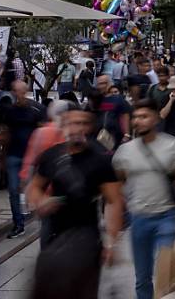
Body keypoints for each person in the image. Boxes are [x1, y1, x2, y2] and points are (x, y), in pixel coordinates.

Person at [30, 102, 124, 299]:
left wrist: (111, 241)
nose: (77, 128)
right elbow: (35, 187)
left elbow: (114, 201)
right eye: (72, 123)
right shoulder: (52, 156)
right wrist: (41, 201)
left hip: (86, 234)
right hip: (54, 230)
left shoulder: (100, 160)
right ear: (64, 126)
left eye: (82, 123)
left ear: (88, 127)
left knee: (84, 288)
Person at [112, 99, 175, 299]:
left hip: (167, 217)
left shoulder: (173, 146)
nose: (138, 121)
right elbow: (115, 189)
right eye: (135, 117)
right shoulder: (125, 152)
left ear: (156, 118)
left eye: (144, 116)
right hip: (139, 218)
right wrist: (114, 226)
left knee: (165, 274)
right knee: (142, 277)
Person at [0, 80, 46, 239]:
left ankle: (44, 218)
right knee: (14, 190)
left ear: (25, 91)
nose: (18, 94)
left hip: (33, 157)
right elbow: (6, 133)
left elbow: (42, 133)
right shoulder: (10, 111)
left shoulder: (36, 109)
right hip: (13, 155)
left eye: (20, 91)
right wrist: (1, 156)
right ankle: (18, 223)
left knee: (36, 189)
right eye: (15, 91)